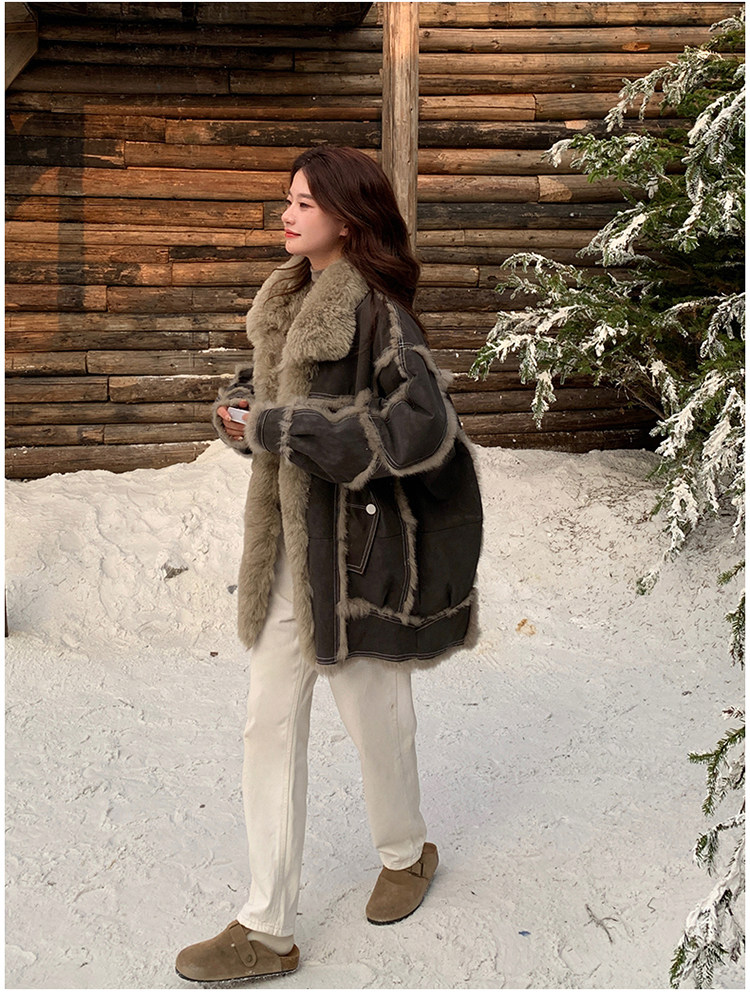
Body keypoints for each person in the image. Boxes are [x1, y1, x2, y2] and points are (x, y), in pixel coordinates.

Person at [175, 146, 483, 984]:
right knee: (267, 723)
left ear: (347, 218)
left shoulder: (381, 313)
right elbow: (272, 402)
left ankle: (406, 853)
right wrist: (241, 412)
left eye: (305, 203)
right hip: (288, 552)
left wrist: (287, 429)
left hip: (357, 560)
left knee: (375, 718)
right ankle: (266, 928)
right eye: (287, 199)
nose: (287, 214)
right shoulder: (283, 300)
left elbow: (423, 427)